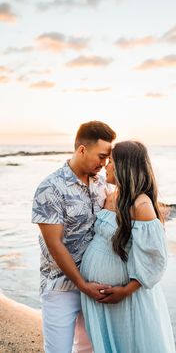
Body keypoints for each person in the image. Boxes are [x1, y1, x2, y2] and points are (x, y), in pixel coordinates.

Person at [80, 141, 176, 353]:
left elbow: (154, 261)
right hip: (99, 296)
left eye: (112, 162)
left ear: (124, 166)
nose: (106, 165)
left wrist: (124, 291)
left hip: (126, 298)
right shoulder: (111, 196)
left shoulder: (141, 205)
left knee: (129, 345)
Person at [32, 121, 116, 353]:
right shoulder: (50, 188)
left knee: (90, 350)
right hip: (61, 286)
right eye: (101, 157)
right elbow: (54, 244)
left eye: (108, 159)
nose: (105, 164)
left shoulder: (102, 184)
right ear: (82, 150)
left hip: (95, 283)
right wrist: (82, 285)